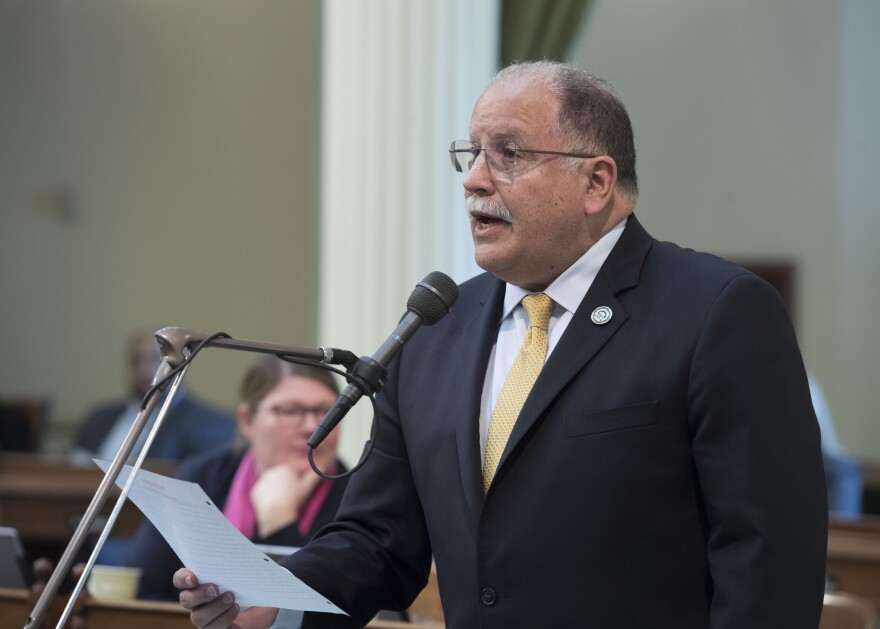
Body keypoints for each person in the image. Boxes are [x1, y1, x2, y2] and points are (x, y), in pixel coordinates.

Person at [174, 61, 828, 628]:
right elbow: (378, 538)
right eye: (473, 153)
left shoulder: (715, 312)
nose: (474, 180)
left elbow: (767, 563)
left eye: (508, 154)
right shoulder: (437, 329)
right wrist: (273, 599)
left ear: (596, 182)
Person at [128, 356, 349, 600]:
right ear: (247, 420)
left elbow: (326, 608)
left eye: (326, 412)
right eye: (290, 411)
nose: (313, 426)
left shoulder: (359, 494)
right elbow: (145, 589)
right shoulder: (199, 479)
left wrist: (280, 522)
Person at [71, 328, 234, 463]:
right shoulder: (98, 418)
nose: (143, 371)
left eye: (154, 360)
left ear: (180, 363)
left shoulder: (211, 424)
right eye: (136, 361)